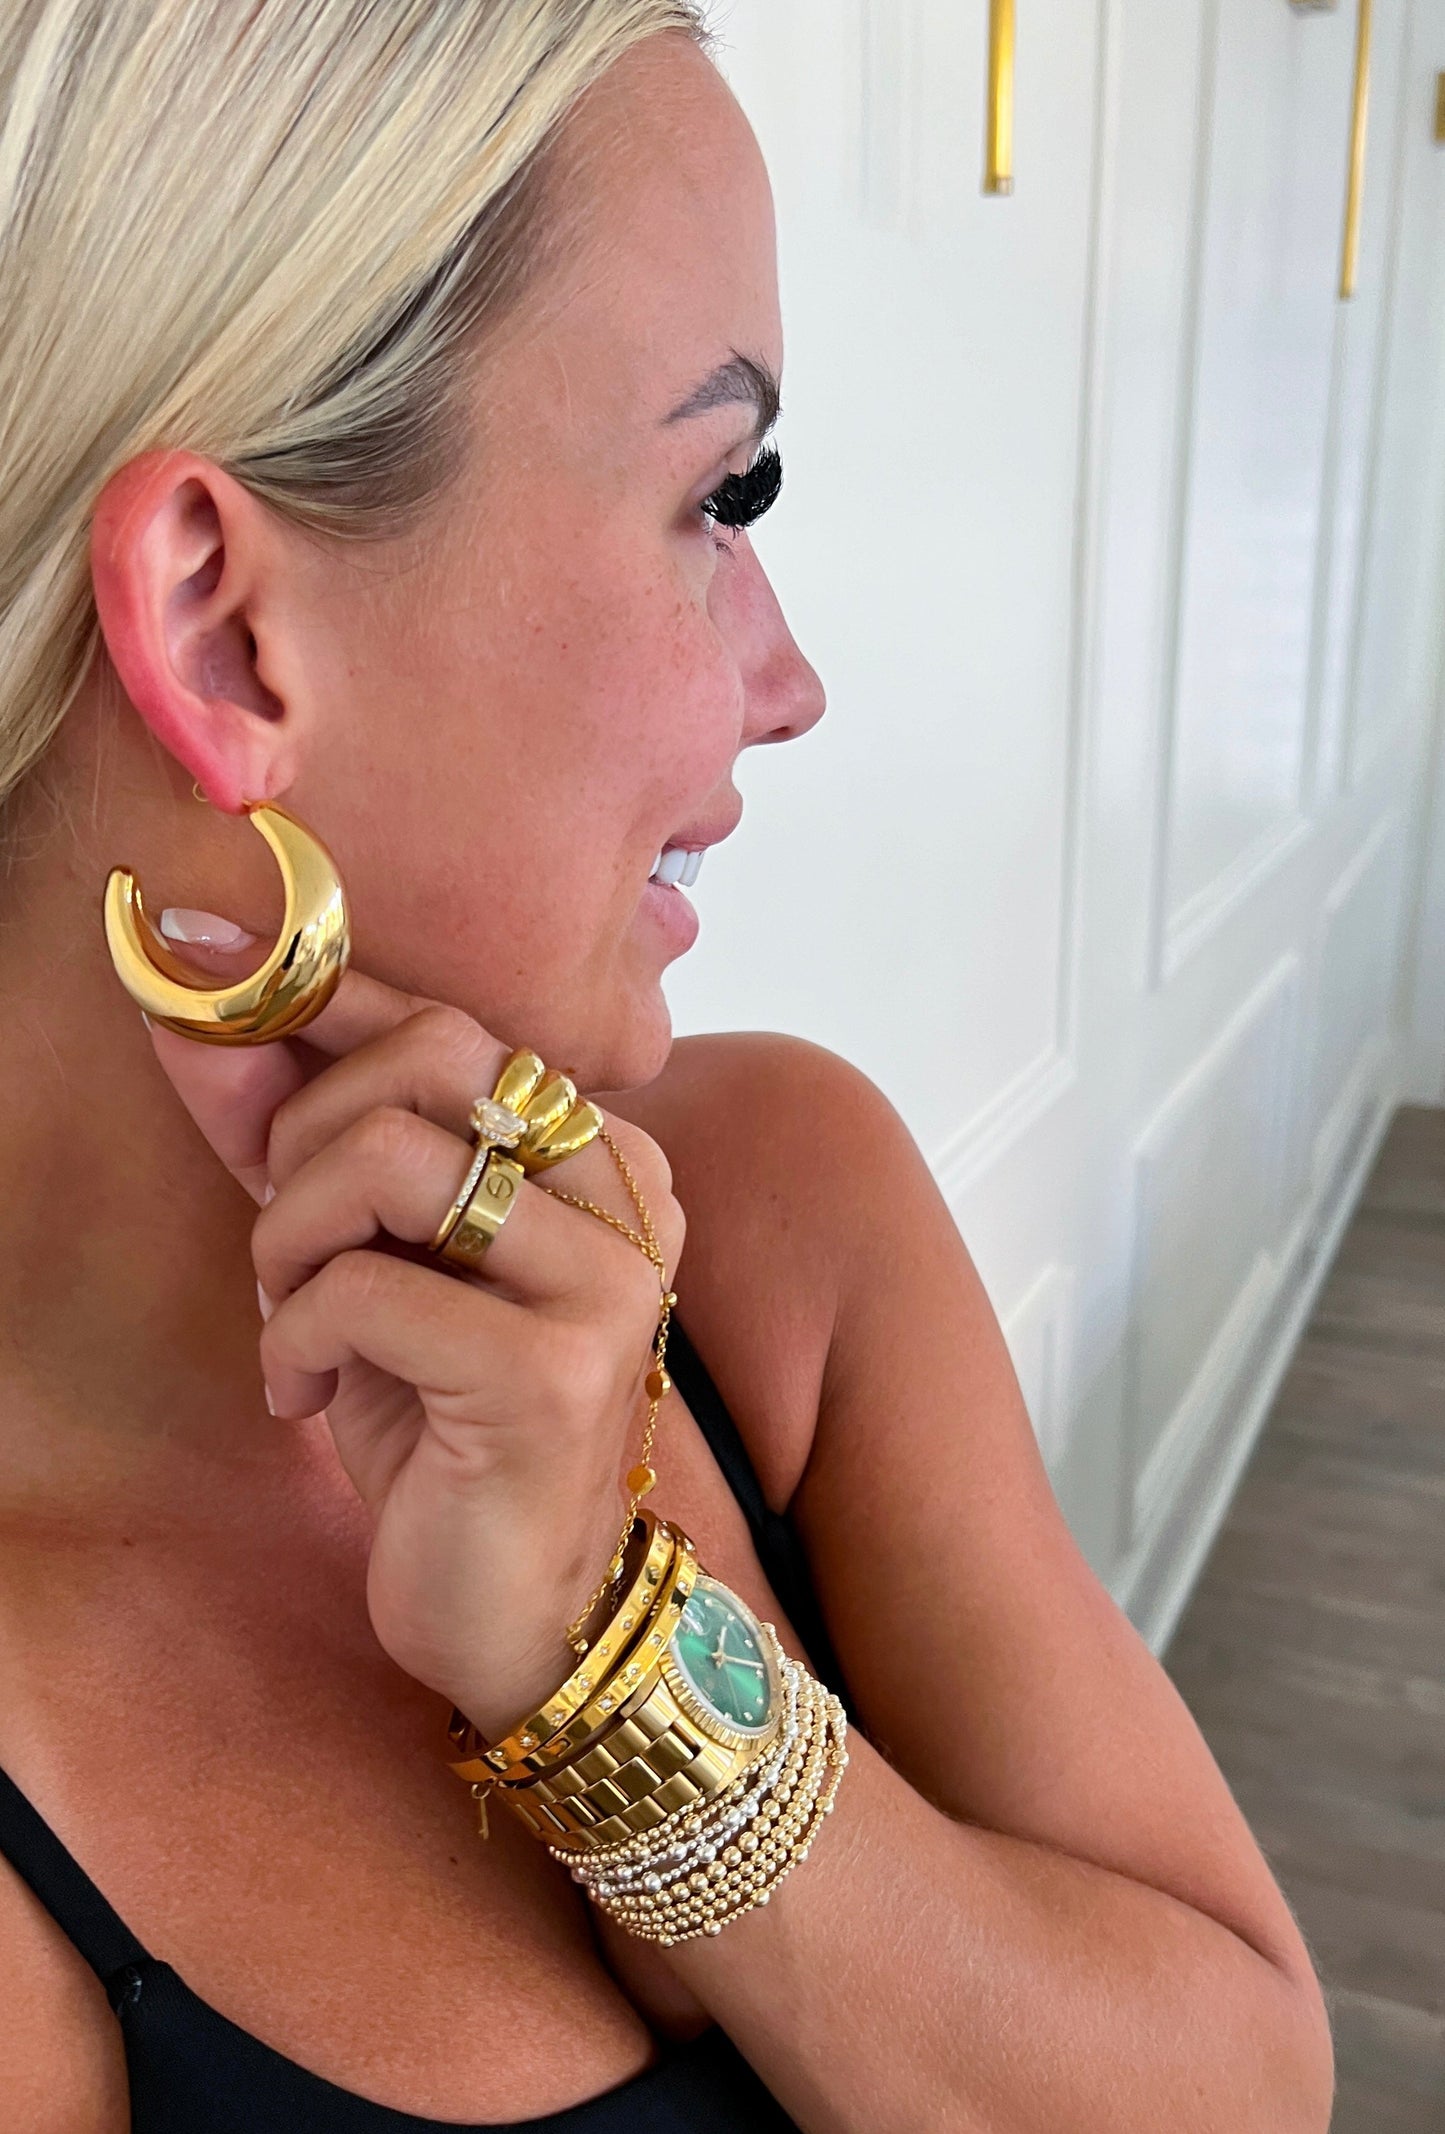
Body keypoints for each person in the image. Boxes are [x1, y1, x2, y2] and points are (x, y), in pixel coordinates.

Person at [0, 5, 1335, 2129]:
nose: (787, 683)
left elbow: (1248, 2085)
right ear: (223, 629)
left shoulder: (781, 1217)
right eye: (723, 495)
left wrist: (602, 1658)